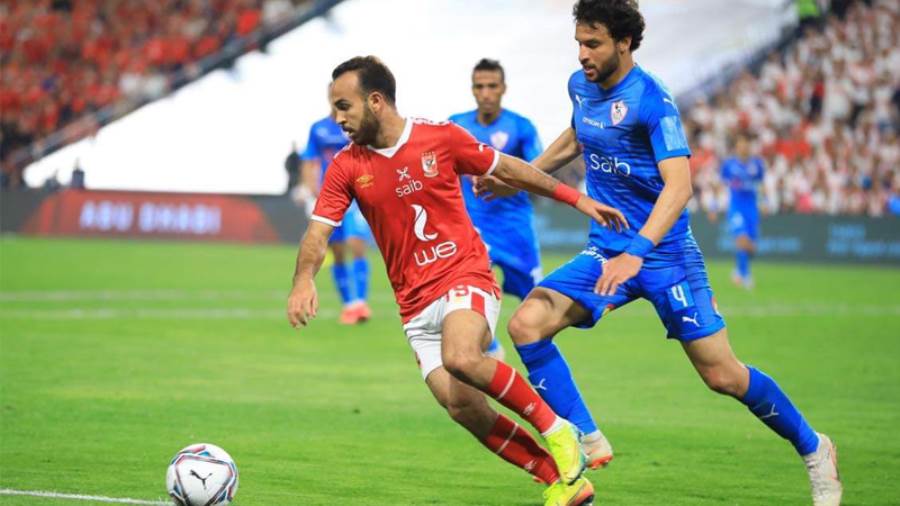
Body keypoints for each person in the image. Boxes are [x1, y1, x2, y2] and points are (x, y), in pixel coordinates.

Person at [482, 2, 842, 504]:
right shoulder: (580, 85)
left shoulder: (652, 99)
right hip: (607, 249)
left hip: (666, 255)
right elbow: (576, 137)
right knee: (526, 325)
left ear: (624, 43)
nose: (582, 54)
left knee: (722, 375)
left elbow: (680, 187)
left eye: (593, 44)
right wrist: (521, 177)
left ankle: (814, 448)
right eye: (579, 43)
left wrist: (638, 251)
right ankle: (587, 436)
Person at [286, 56, 629, 505]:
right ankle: (562, 481)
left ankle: (559, 430)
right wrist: (303, 280)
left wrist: (577, 200)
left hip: (464, 274)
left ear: (376, 101)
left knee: (462, 357)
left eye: (344, 106)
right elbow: (318, 232)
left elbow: (507, 168)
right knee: (462, 406)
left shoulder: (440, 137)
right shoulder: (346, 166)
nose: (338, 118)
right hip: (413, 304)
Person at [449, 58, 544, 361]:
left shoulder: (521, 127)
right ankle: (489, 350)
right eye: (480, 87)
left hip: (515, 227)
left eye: (492, 86)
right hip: (474, 228)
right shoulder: (456, 126)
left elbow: (540, 171)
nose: (486, 93)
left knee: (537, 305)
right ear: (472, 89)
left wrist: (507, 181)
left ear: (503, 88)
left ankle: (539, 365)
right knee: (467, 297)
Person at [300, 104, 373, 324]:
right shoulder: (319, 128)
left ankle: (361, 302)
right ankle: (349, 305)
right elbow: (309, 159)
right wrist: (311, 188)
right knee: (338, 251)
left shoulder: (358, 125)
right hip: (331, 196)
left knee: (357, 243)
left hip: (357, 195)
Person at [720, 132, 765, 289]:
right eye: (740, 145)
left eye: (746, 144)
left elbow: (761, 184)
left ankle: (738, 270)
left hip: (751, 208)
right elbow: (721, 184)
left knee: (751, 247)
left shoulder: (757, 164)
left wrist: (764, 201)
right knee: (742, 239)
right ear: (736, 147)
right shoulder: (729, 165)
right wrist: (714, 205)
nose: (743, 147)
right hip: (736, 207)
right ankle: (746, 276)